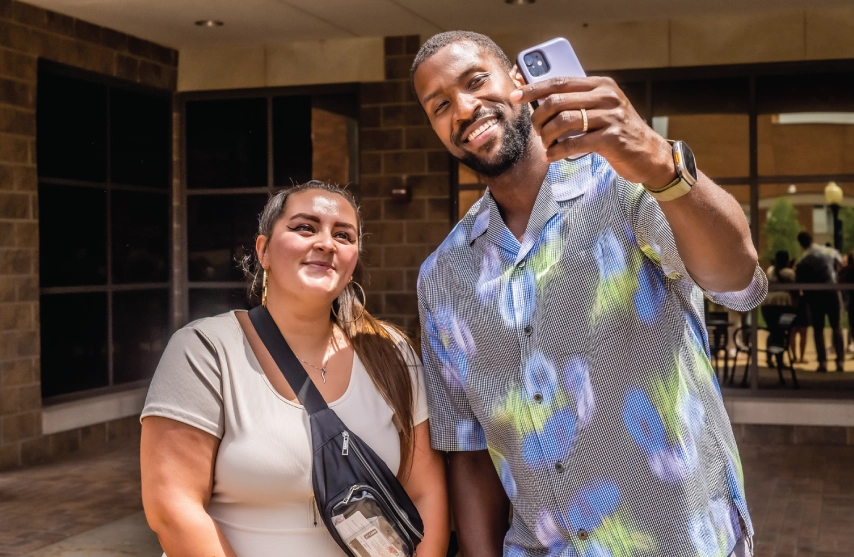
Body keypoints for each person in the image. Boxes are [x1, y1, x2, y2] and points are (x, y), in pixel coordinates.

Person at [412, 32, 766, 557]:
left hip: (681, 541)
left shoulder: (624, 186)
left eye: (476, 81)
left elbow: (737, 280)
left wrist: (659, 164)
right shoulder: (442, 276)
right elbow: (468, 451)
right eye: (440, 104)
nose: (463, 108)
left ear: (518, 80)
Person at [139, 182, 449, 557]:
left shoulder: (390, 352)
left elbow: (426, 492)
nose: (326, 243)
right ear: (264, 250)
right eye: (305, 227)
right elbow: (173, 509)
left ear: (353, 263)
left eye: (343, 235)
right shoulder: (205, 350)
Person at [795, 231, 844, 372]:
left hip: (815, 296)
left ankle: (822, 362)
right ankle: (840, 360)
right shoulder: (827, 251)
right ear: (811, 238)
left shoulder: (803, 259)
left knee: (818, 329)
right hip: (832, 290)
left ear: (801, 244)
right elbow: (841, 263)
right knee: (837, 327)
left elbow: (801, 280)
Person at [762, 250, 796, 367]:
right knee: (780, 333)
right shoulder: (789, 273)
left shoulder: (770, 271)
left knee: (772, 331)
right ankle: (779, 360)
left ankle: (769, 358)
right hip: (784, 305)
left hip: (767, 305)